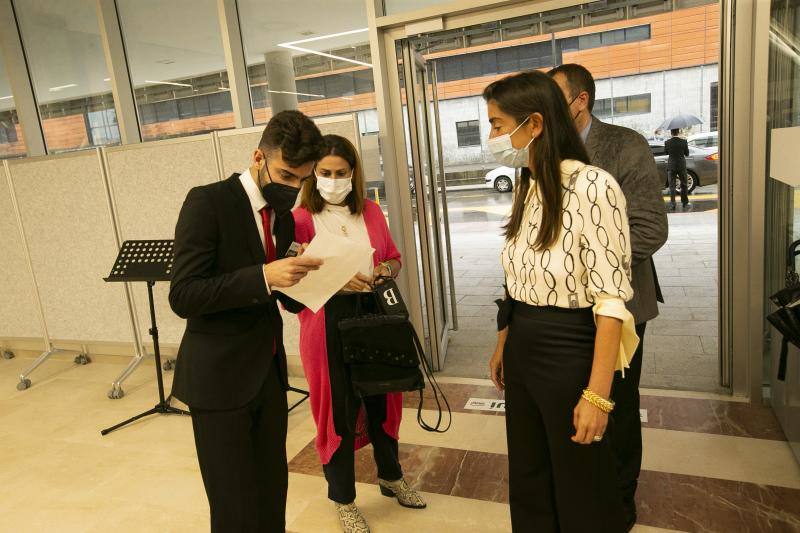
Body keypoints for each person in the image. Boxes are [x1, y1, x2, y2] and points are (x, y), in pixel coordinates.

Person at [486, 71, 637, 533]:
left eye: (496, 124)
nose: (492, 137)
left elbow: (611, 299)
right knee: (529, 476)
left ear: (534, 124)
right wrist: (503, 343)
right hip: (525, 343)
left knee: (580, 480)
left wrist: (597, 395)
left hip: (571, 348)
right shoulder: (528, 185)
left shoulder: (594, 186)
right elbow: (516, 278)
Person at [168, 110, 325, 532]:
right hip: (219, 379)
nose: (293, 190)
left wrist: (316, 278)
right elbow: (183, 295)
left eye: (303, 180)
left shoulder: (286, 217)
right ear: (258, 156)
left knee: (272, 494)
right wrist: (262, 276)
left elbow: (286, 302)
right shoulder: (209, 202)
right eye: (287, 176)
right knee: (234, 506)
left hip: (268, 376)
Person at [549, 63, 668, 532]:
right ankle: (583, 493)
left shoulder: (624, 146)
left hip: (620, 307)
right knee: (575, 404)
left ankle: (621, 499)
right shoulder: (542, 150)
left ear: (581, 100)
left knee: (615, 405)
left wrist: (587, 268)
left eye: (553, 96)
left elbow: (651, 229)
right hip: (561, 311)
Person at [291, 135, 425, 533]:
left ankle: (391, 475)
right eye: (325, 172)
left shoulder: (368, 210)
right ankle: (344, 499)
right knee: (339, 411)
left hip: (374, 313)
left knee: (384, 397)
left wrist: (385, 270)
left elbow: (394, 258)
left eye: (341, 173)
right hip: (327, 321)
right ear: (313, 174)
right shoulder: (299, 219)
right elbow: (291, 282)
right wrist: (332, 277)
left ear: (354, 173)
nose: (333, 180)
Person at [665, 128, 691, 211]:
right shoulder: (683, 142)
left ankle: (672, 204)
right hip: (681, 166)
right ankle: (685, 203)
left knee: (672, 186)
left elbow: (666, 152)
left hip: (671, 166)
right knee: (684, 184)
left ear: (671, 132)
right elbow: (687, 153)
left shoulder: (667, 142)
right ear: (678, 132)